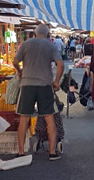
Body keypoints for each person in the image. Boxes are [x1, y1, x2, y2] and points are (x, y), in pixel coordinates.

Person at [13, 24, 64, 161]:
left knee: (24, 118)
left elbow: (15, 61)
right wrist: (56, 81)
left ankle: (21, 152)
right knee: (49, 118)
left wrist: (20, 71)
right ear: (48, 34)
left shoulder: (25, 44)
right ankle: (52, 152)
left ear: (34, 33)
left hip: (27, 84)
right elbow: (61, 64)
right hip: (44, 84)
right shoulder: (51, 46)